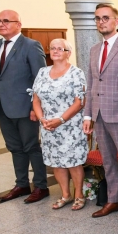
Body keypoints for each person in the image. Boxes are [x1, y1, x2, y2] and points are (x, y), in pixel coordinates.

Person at [0, 10, 49, 203]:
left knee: (31, 146)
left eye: (6, 21)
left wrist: (35, 107)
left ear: (18, 24)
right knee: (14, 147)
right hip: (2, 107)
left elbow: (40, 79)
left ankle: (41, 186)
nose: (1, 24)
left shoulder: (30, 46)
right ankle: (22, 184)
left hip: (25, 107)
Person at [84, 3, 118, 221]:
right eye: (98, 18)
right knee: (107, 160)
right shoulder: (94, 50)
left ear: (116, 21)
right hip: (99, 114)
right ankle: (113, 199)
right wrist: (88, 115)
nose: (101, 22)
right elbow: (91, 84)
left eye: (106, 18)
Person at [31, 39, 88, 210]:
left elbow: (80, 102)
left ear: (68, 53)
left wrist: (61, 120)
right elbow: (36, 100)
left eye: (60, 48)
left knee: (73, 162)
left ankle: (79, 194)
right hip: (48, 126)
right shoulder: (42, 72)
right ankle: (65, 194)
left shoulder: (76, 73)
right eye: (52, 48)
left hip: (70, 125)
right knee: (55, 161)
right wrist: (42, 119)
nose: (55, 51)